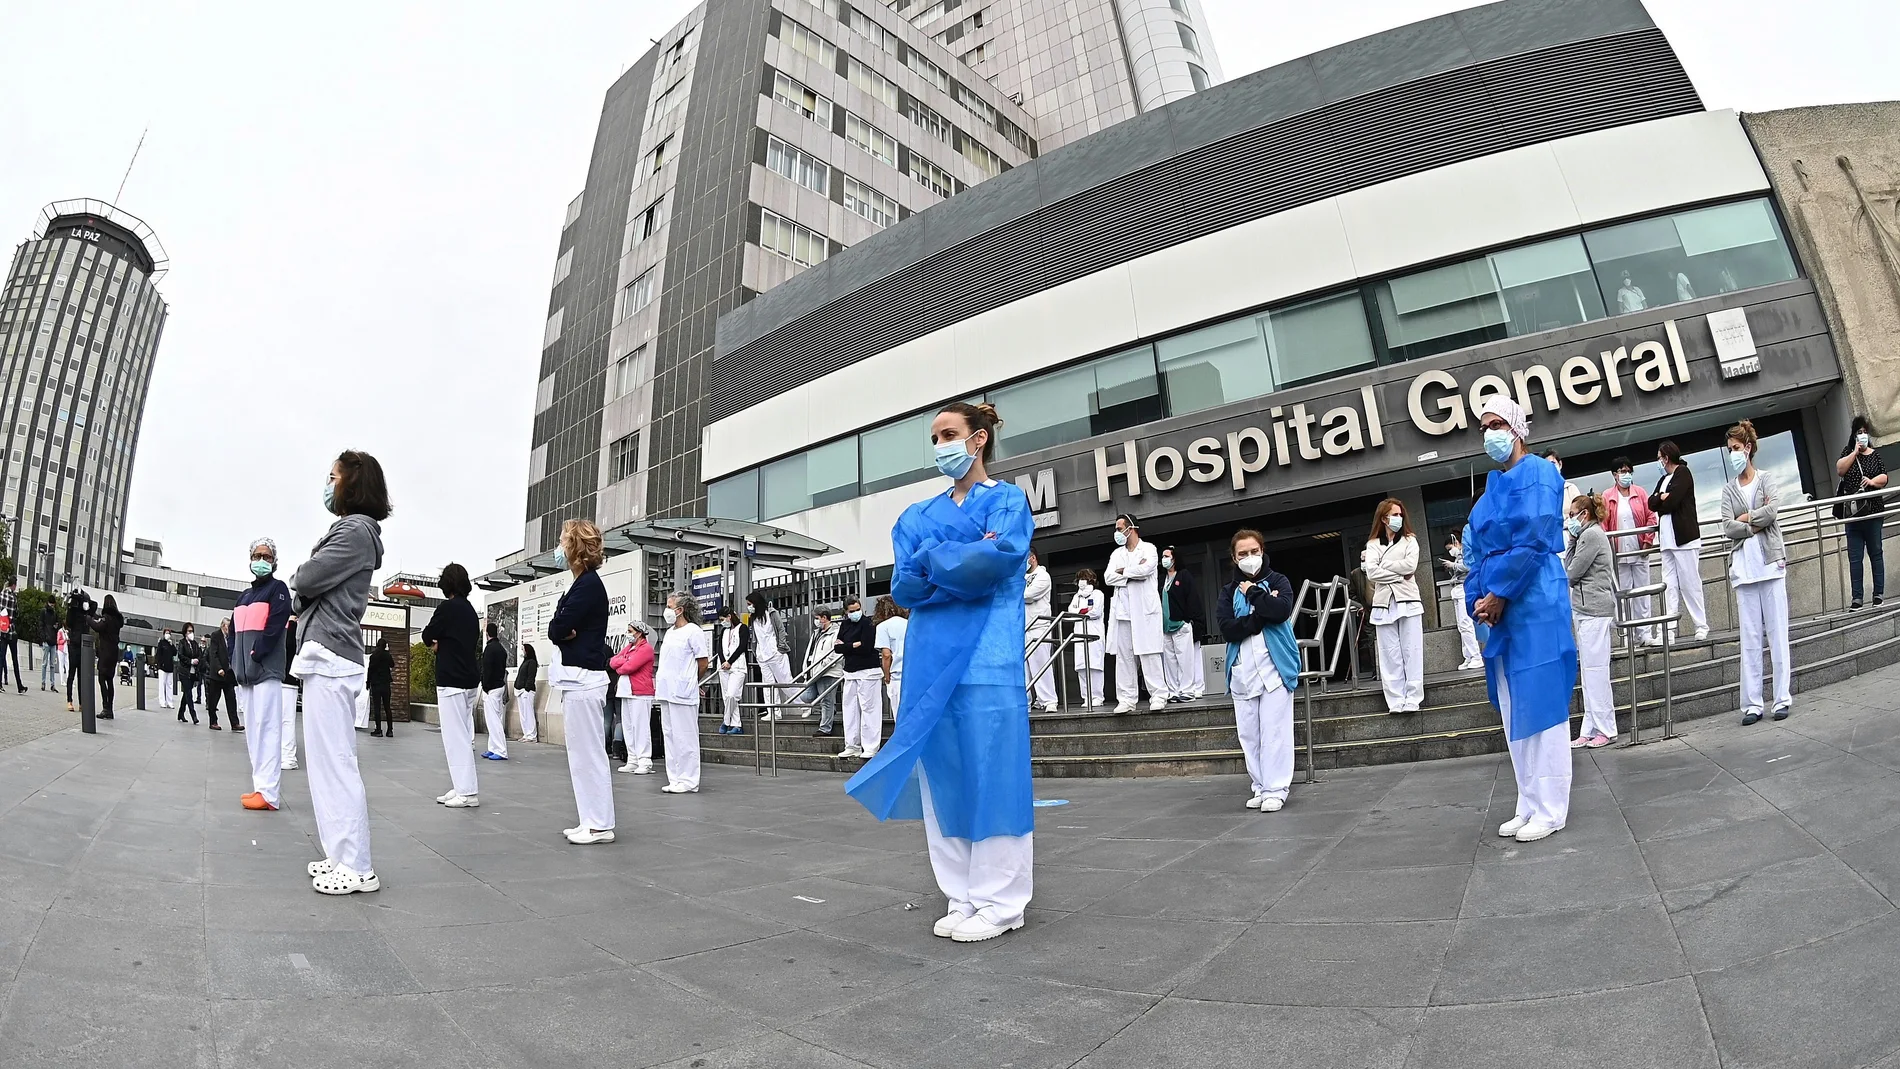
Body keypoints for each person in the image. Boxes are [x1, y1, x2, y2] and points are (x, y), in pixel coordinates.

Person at [847, 401, 1034, 943]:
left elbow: (996, 562)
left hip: (987, 655)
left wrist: (936, 559)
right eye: (933, 438)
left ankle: (1002, 903)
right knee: (943, 776)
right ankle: (962, 894)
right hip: (929, 659)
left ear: (977, 440)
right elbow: (905, 587)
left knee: (994, 773)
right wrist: (955, 558)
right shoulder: (914, 516)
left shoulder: (1008, 501)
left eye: (948, 434)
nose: (939, 447)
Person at [1467, 395, 1578, 844]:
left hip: (1533, 601)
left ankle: (1551, 807)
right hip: (1497, 612)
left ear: (1516, 428)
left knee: (1543, 700)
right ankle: (1528, 799)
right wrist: (1480, 601)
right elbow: (1473, 553)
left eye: (1496, 424)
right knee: (1515, 707)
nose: (1490, 433)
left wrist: (1500, 593)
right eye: (1484, 427)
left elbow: (1534, 538)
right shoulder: (1488, 493)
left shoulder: (1541, 472)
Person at [295, 448, 389, 896]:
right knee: (325, 763)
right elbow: (305, 589)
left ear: (353, 483)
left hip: (332, 657)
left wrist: (304, 581)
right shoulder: (350, 531)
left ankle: (357, 864)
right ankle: (339, 853)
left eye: (333, 476)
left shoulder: (353, 531)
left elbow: (307, 579)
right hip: (325, 656)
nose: (328, 484)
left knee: (335, 762)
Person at [1216, 530, 1300, 812]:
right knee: (1249, 734)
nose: (1249, 558)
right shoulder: (1227, 591)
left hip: (1275, 669)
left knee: (1275, 731)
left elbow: (1281, 610)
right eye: (1242, 554)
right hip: (1242, 671)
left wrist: (1252, 593)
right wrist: (1258, 616)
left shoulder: (1279, 581)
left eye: (1254, 552)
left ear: (1262, 551)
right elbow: (1228, 628)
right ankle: (1260, 786)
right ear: (1234, 557)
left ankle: (1276, 789)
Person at [549, 519, 614, 843]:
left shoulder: (587, 585)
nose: (558, 547)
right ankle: (590, 818)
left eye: (563, 540)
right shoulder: (581, 584)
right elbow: (560, 626)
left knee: (588, 755)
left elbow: (557, 628)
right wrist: (562, 629)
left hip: (584, 680)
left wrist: (562, 630)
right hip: (578, 680)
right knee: (581, 755)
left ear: (574, 547)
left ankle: (599, 822)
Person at [1723, 419, 1791, 724]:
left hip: (1770, 566)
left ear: (1748, 448)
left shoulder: (1766, 479)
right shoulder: (1727, 490)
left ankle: (1781, 699)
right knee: (1749, 639)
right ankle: (1752, 704)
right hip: (1744, 570)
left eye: (1735, 448)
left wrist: (1746, 518)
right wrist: (1754, 523)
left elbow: (1772, 511)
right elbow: (1727, 526)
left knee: (1777, 635)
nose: (1733, 454)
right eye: (1729, 450)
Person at [233, 539, 293, 809]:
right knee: (253, 731)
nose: (261, 560)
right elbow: (235, 633)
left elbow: (275, 625)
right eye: (257, 555)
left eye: (266, 556)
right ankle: (260, 787)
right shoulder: (244, 596)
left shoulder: (278, 589)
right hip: (245, 673)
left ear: (274, 561)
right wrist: (236, 660)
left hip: (266, 669)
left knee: (267, 728)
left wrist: (257, 653)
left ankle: (269, 792)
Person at [421, 564, 482, 808]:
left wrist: (437, 643)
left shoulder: (446, 608)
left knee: (454, 735)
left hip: (451, 679)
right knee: (463, 734)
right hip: (469, 679)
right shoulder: (470, 611)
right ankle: (461, 785)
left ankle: (466, 792)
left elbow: (427, 634)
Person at [1565, 493, 1618, 748]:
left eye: (1571, 515)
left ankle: (1606, 728)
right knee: (1588, 673)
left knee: (1596, 673)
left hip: (1594, 610)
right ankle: (1590, 727)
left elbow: (1572, 572)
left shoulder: (1592, 535)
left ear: (1583, 514)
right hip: (1586, 611)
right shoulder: (1587, 535)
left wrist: (1573, 542)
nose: (1569, 520)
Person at [1363, 499, 1424, 714]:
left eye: (1400, 514)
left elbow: (1411, 566)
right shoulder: (1372, 544)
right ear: (1383, 518)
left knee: (1412, 650)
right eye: (1393, 514)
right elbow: (1371, 572)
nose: (1398, 518)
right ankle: (1395, 700)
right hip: (1383, 602)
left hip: (1408, 600)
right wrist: (1399, 575)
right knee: (1389, 654)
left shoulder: (1410, 541)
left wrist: (1384, 566)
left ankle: (1413, 698)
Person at [1105, 513, 1168, 712]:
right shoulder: (1116, 554)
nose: (1117, 532)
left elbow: (1147, 570)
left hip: (1144, 610)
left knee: (1149, 652)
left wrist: (1123, 572)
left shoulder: (1148, 548)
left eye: (1119, 528)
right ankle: (1126, 699)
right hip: (1123, 612)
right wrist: (1131, 573)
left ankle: (1158, 695)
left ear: (1131, 528)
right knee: (1124, 657)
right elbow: (1108, 577)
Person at [1651, 440, 1709, 642]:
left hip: (1684, 539)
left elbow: (1674, 501)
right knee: (1669, 585)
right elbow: (1652, 503)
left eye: (1659, 457)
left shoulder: (1683, 473)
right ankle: (1668, 630)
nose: (1658, 461)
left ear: (1666, 457)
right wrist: (1661, 498)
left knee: (1690, 582)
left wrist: (1664, 501)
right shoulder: (1664, 479)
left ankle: (1700, 625)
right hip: (1667, 541)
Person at [656, 592, 711, 793]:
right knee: (670, 735)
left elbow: (703, 661)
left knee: (685, 736)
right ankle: (675, 778)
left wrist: (691, 680)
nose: (667, 610)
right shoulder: (670, 632)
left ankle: (689, 780)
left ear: (680, 610)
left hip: (683, 691)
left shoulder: (693, 631)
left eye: (670, 606)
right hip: (666, 690)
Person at [1601, 456, 1659, 645]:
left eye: (1628, 471)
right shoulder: (1607, 496)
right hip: (1619, 555)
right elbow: (1603, 524)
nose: (1625, 475)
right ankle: (1628, 635)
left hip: (1639, 550)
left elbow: (1651, 517)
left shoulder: (1640, 493)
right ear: (1614, 475)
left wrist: (1648, 541)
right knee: (1623, 595)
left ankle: (1644, 634)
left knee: (1642, 592)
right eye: (1622, 471)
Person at [1837, 415, 1889, 610]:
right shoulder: (1848, 452)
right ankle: (1857, 598)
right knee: (1855, 557)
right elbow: (1840, 470)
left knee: (1876, 553)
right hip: (1853, 515)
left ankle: (1878, 595)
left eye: (1865, 432)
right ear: (1854, 435)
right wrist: (1855, 452)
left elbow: (1884, 477)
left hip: (1873, 512)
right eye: (1859, 433)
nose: (1863, 436)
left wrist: (1872, 482)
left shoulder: (1875, 455)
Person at [835, 596, 882, 760]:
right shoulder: (845, 624)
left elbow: (867, 646)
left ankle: (870, 746)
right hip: (850, 671)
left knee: (869, 708)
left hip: (868, 670)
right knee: (850, 710)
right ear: (846, 611)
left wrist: (848, 646)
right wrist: (854, 645)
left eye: (857, 609)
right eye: (851, 611)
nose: (855, 613)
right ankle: (852, 745)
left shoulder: (868, 623)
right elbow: (837, 648)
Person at [1159, 546, 1206, 703]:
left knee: (1184, 659)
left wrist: (1190, 620)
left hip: (1181, 624)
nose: (1163, 559)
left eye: (1166, 556)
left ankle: (1187, 690)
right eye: (1162, 556)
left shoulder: (1184, 576)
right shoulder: (1162, 579)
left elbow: (1192, 599)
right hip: (1165, 627)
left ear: (1174, 558)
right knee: (1169, 661)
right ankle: (1173, 690)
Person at [611, 625, 656, 773]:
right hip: (626, 692)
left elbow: (629, 667)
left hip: (641, 692)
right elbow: (613, 661)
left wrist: (622, 662)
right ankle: (633, 759)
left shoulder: (646, 648)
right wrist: (624, 660)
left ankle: (645, 761)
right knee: (629, 727)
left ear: (640, 633)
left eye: (630, 631)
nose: (628, 634)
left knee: (640, 727)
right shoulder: (629, 647)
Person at [746, 590, 794, 721]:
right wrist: (756, 652)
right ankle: (773, 711)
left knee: (785, 681)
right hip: (762, 656)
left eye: (750, 604)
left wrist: (780, 648)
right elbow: (756, 637)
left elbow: (781, 630)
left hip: (775, 653)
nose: (748, 606)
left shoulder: (772, 613)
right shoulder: (753, 618)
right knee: (767, 684)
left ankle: (803, 704)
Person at [1442, 529, 1483, 671]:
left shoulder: (1465, 552)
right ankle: (1469, 656)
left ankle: (1476, 656)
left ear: (1456, 542)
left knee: (1465, 624)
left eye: (1450, 548)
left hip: (1463, 589)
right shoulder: (1458, 556)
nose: (1450, 551)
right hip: (1457, 589)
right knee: (1462, 626)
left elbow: (1468, 566)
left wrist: (1453, 565)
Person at [800, 608, 843, 736]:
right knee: (807, 696)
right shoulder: (816, 633)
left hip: (828, 671)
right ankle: (829, 714)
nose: (816, 621)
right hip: (814, 671)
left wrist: (824, 665)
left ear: (824, 618)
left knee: (826, 700)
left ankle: (825, 728)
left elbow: (836, 652)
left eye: (817, 618)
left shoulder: (835, 632)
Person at [1023, 550, 1057, 712]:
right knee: (1024, 669)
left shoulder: (1043, 576)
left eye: (1025, 558)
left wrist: (1015, 592)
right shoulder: (1022, 577)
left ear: (1033, 558)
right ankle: (1027, 702)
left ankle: (1049, 700)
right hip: (1023, 627)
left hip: (1039, 627)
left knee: (1041, 664)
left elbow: (1028, 595)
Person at [1067, 569, 1106, 707]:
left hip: (1094, 635)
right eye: (1079, 579)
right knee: (1082, 667)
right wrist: (1084, 612)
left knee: (1094, 667)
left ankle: (1097, 697)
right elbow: (1071, 611)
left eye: (1083, 578)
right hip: (1079, 634)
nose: (1081, 582)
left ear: (1091, 580)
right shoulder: (1076, 596)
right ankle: (1086, 697)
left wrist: (1081, 612)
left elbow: (1095, 612)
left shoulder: (1098, 594)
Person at [713, 607, 750, 735]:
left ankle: (726, 721)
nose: (723, 622)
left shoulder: (742, 628)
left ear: (729, 616)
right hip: (723, 667)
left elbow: (742, 647)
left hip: (737, 666)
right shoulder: (724, 631)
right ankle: (737, 725)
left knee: (732, 695)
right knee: (726, 697)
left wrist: (730, 661)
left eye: (723, 619)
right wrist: (724, 661)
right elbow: (719, 649)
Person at [479, 622, 510, 760]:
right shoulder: (501, 649)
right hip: (499, 686)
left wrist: (485, 686)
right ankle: (493, 747)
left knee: (493, 721)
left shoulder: (489, 649)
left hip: (491, 688)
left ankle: (501, 750)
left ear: (487, 633)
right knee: (495, 718)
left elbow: (486, 670)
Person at [91, 595, 124, 719]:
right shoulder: (116, 620)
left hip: (105, 653)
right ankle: (110, 708)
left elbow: (97, 627)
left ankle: (106, 708)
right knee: (110, 680)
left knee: (102, 679)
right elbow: (100, 621)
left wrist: (88, 619)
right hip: (114, 653)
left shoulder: (107, 618)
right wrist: (95, 617)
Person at [874, 595, 908, 715]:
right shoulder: (909, 623)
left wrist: (886, 676)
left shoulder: (883, 627)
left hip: (897, 675)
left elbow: (886, 655)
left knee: (898, 714)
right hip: (913, 674)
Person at [204, 618, 240, 731]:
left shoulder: (231, 638)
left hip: (228, 674)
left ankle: (235, 723)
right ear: (223, 626)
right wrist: (218, 668)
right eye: (228, 626)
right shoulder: (215, 635)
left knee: (231, 699)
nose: (229, 629)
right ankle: (213, 721)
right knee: (213, 699)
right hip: (217, 674)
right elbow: (213, 654)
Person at [64, 587, 93, 712]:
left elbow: (94, 606)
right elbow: (69, 622)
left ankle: (82, 702)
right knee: (71, 674)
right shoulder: (73, 612)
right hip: (74, 645)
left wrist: (83, 598)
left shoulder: (86, 613)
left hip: (83, 646)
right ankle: (69, 700)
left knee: (82, 676)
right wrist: (73, 601)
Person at [367, 638, 395, 738]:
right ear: (385, 645)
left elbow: (370, 670)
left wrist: (368, 682)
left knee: (377, 708)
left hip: (375, 684)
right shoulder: (387, 655)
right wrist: (388, 651)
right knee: (387, 707)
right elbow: (392, 664)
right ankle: (390, 730)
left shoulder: (373, 656)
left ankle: (378, 730)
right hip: (385, 684)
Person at [176, 625, 202, 726]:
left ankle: (180, 713)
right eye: (189, 631)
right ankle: (193, 714)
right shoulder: (182, 643)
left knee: (186, 693)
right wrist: (190, 661)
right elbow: (181, 655)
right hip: (184, 671)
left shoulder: (195, 644)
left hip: (192, 672)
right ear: (185, 632)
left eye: (192, 631)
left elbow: (199, 654)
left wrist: (197, 660)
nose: (191, 633)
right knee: (189, 693)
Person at [513, 642, 539, 742]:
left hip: (526, 691)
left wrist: (527, 689)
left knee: (528, 713)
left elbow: (531, 676)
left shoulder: (531, 662)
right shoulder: (525, 662)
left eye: (523, 649)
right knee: (523, 714)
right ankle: (526, 734)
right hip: (520, 691)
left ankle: (532, 735)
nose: (522, 651)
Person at [0, 580, 23, 693]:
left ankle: (0, 684)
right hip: (11, 631)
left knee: (1, 657)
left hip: (2, 630)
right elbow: (16, 613)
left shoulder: (1, 594)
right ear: (13, 585)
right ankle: (20, 685)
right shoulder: (13, 597)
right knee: (15, 659)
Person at [39, 597, 58, 692]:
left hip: (52, 640)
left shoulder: (54, 613)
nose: (52, 606)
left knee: (51, 664)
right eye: (51, 604)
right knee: (45, 663)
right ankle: (44, 682)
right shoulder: (44, 612)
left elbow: (57, 626)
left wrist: (56, 627)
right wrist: (44, 638)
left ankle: (51, 683)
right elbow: (41, 625)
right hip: (48, 640)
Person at [155, 628, 177, 708]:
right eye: (166, 633)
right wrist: (159, 665)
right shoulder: (161, 643)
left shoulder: (170, 644)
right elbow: (158, 654)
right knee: (162, 684)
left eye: (169, 633)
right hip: (162, 667)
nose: (168, 634)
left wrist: (172, 645)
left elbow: (175, 653)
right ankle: (162, 701)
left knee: (169, 685)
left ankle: (169, 702)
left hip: (170, 667)